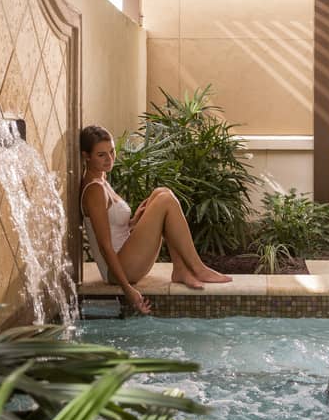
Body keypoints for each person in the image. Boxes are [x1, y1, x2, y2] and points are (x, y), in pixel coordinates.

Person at [80, 125, 232, 313]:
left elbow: (111, 226)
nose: (109, 159)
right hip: (119, 269)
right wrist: (127, 289)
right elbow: (104, 245)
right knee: (165, 200)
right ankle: (197, 267)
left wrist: (133, 222)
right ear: (86, 156)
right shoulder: (94, 190)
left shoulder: (102, 181)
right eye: (101, 155)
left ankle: (181, 270)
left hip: (127, 254)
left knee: (161, 192)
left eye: (112, 151)